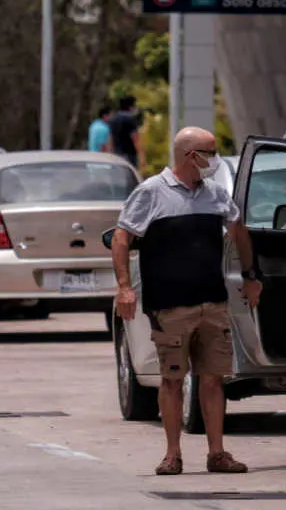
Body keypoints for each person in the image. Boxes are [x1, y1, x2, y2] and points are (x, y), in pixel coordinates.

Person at [112, 127, 263, 476]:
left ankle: (217, 453)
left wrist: (252, 276)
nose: (214, 158)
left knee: (212, 379)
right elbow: (121, 238)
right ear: (189, 155)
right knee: (172, 380)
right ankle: (172, 454)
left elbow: (239, 229)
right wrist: (124, 287)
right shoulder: (151, 192)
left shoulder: (216, 194)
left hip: (212, 303)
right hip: (170, 307)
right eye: (209, 152)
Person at [108, 95, 143, 170]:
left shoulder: (113, 119)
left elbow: (110, 138)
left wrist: (110, 153)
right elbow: (135, 139)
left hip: (116, 154)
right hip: (129, 155)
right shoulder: (130, 119)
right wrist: (142, 157)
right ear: (130, 107)